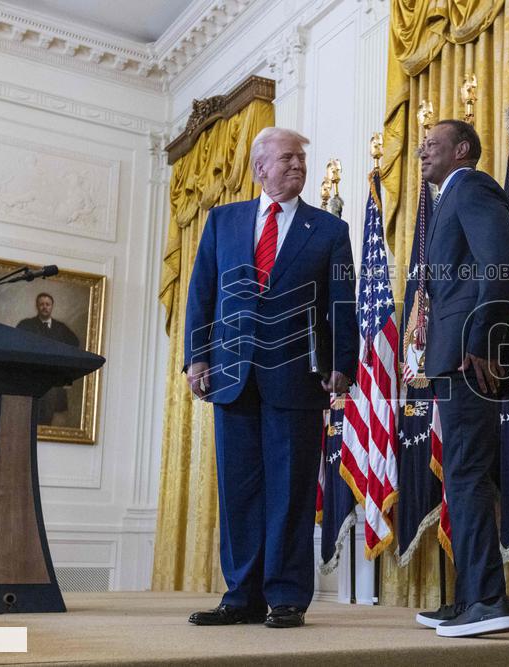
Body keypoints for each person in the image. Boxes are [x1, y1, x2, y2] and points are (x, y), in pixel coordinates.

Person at [184, 127, 358, 629]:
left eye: (300, 159)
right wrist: (197, 358)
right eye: (287, 159)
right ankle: (241, 596)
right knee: (239, 493)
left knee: (290, 492)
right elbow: (202, 293)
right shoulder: (223, 221)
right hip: (232, 377)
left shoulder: (329, 230)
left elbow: (341, 302)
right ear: (260, 168)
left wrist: (342, 363)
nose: (297, 166)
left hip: (297, 379)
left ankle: (285, 596)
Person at [413, 119, 509, 638]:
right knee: (460, 475)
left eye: (431, 145)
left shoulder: (473, 186)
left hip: (469, 356)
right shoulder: (447, 198)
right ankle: (470, 596)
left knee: (468, 475)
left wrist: (481, 339)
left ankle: (488, 600)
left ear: (461, 150)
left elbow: (499, 262)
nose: (422, 152)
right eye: (420, 146)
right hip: (452, 355)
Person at [17, 292, 80, 425]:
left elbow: (74, 345)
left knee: (51, 413)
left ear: (52, 306)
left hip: (53, 378)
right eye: (41, 304)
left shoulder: (61, 328)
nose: (45, 307)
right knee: (28, 413)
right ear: (37, 306)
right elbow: (17, 344)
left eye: (47, 304)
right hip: (32, 376)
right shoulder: (26, 325)